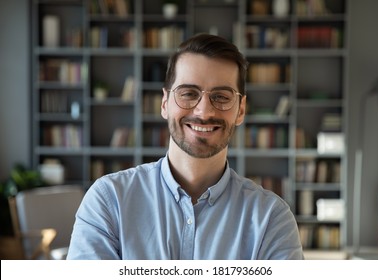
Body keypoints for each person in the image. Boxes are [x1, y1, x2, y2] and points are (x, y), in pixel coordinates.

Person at [67, 34, 304, 260]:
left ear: (240, 110)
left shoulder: (271, 218)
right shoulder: (109, 201)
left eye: (221, 96)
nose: (204, 111)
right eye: (188, 93)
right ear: (164, 103)